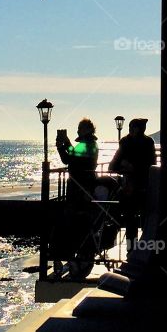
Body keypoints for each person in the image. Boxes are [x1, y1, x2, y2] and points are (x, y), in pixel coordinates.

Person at [53, 118, 100, 278]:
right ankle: (76, 253)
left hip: (81, 187)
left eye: (80, 128)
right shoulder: (88, 143)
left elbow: (71, 157)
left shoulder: (88, 144)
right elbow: (71, 158)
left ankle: (75, 253)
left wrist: (64, 144)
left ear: (87, 129)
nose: (78, 131)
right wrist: (63, 145)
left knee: (74, 220)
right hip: (80, 186)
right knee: (76, 219)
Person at [109, 117, 156, 254]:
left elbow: (114, 164)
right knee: (139, 218)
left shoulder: (130, 141)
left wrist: (128, 166)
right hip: (138, 185)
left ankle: (133, 249)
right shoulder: (146, 142)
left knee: (133, 218)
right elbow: (152, 164)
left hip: (134, 185)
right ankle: (141, 248)